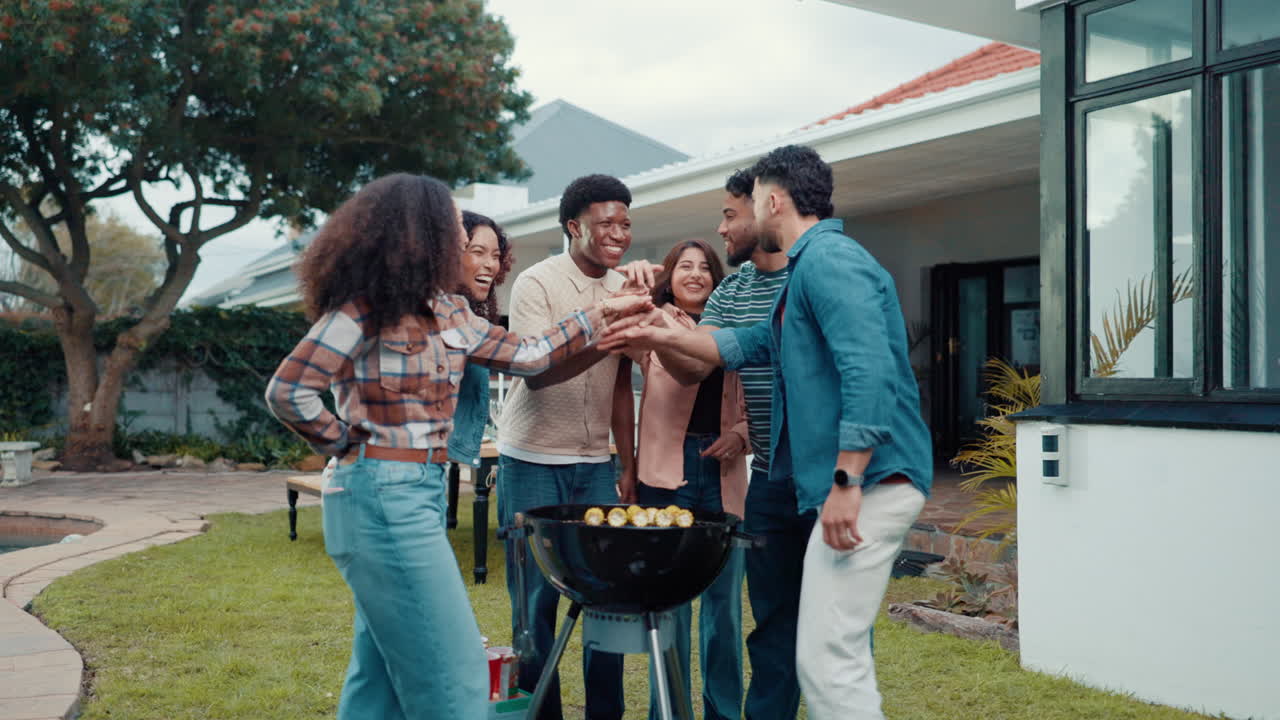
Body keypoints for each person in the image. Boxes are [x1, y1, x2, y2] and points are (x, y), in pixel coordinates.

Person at [265, 174, 650, 720]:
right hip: (381, 496)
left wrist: (607, 310)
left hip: (418, 493)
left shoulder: (451, 313)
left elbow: (534, 354)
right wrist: (347, 445)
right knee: (460, 676)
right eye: (451, 228)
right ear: (415, 233)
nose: (461, 239)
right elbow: (289, 389)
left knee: (375, 685)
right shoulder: (364, 309)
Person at [600, 145, 933, 720]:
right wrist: (661, 332)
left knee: (831, 654)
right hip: (804, 480)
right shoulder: (807, 271)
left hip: (871, 479)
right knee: (819, 650)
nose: (737, 219)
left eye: (746, 205)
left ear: (773, 201)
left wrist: (847, 480)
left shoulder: (832, 261)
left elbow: (870, 371)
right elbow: (742, 345)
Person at [496, 173, 638, 720]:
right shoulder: (536, 283)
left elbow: (623, 386)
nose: (618, 233)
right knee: (536, 603)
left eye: (626, 223)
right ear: (574, 227)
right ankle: (540, 714)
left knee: (605, 599)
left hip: (594, 466)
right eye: (606, 223)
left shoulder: (625, 286)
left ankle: (607, 714)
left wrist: (626, 463)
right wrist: (604, 335)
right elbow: (536, 373)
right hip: (531, 460)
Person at [632, 238, 748, 720]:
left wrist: (742, 433)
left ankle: (722, 712)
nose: (696, 274)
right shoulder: (651, 323)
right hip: (666, 474)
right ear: (669, 276)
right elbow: (607, 303)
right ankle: (668, 711)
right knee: (670, 605)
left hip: (723, 476)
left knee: (724, 611)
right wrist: (632, 272)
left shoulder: (734, 329)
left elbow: (759, 395)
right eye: (685, 266)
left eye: (705, 267)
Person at [447, 211, 515, 473]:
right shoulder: (439, 316)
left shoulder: (464, 316)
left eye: (496, 256)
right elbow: (530, 357)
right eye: (478, 251)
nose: (490, 264)